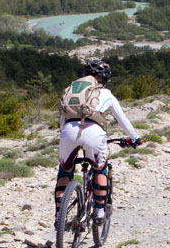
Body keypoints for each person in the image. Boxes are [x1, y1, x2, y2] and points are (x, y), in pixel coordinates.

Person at [55, 60, 141, 224]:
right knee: (99, 168)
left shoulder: (73, 91)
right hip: (94, 132)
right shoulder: (106, 94)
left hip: (68, 130)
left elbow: (63, 117)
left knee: (65, 170)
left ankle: (60, 214)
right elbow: (122, 120)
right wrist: (135, 138)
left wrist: (68, 136)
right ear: (105, 78)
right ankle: (100, 212)